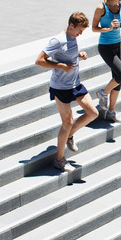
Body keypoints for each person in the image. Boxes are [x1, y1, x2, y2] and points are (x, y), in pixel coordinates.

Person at [35, 12, 98, 172]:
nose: (81, 34)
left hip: (75, 84)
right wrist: (60, 66)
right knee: (67, 122)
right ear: (71, 25)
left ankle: (70, 135)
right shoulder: (58, 40)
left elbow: (67, 52)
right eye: (79, 30)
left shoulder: (72, 38)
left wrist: (79, 54)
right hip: (60, 87)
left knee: (93, 113)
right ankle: (59, 159)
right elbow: (39, 61)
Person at [92, 0, 121, 123]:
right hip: (106, 46)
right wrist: (108, 28)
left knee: (118, 80)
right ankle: (103, 93)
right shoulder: (101, 7)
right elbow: (94, 28)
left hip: (117, 44)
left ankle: (111, 112)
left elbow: (117, 21)